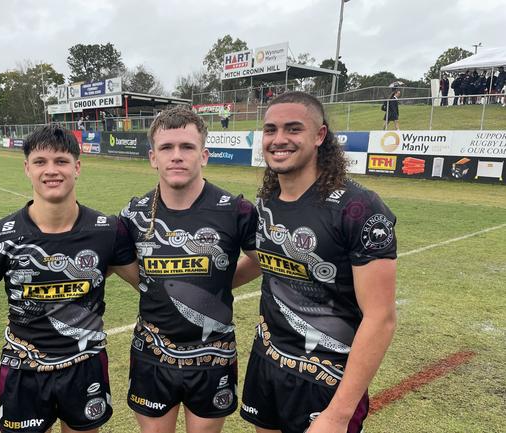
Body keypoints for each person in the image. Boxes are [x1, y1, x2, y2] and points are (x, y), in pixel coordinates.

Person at [234, 91, 397, 433]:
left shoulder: (359, 208)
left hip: (328, 379)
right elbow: (269, 260)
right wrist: (205, 278)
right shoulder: (266, 203)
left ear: (319, 135)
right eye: (270, 130)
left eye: (293, 129)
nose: (279, 139)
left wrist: (338, 414)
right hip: (269, 360)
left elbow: (380, 318)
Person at [0, 124, 138, 433]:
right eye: (40, 162)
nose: (51, 170)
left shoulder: (108, 231)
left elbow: (145, 282)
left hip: (85, 366)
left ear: (77, 167)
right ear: (27, 168)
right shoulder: (0, 235)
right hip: (22, 368)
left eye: (61, 161)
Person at [119, 106, 258, 433]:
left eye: (187, 147)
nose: (176, 156)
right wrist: (153, 284)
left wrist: (221, 283)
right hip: (152, 354)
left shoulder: (235, 210)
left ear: (204, 155)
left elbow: (262, 259)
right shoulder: (134, 213)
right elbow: (118, 263)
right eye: (167, 148)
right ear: (153, 157)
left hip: (214, 356)